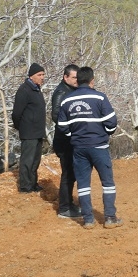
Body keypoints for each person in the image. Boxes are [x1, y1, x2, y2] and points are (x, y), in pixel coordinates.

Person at [57, 66, 122, 229]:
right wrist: (104, 133)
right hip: (99, 146)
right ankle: (109, 217)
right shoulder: (100, 98)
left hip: (79, 148)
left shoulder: (66, 100)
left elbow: (62, 126)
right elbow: (111, 122)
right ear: (92, 81)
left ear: (77, 80)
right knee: (107, 182)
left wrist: (75, 136)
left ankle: (88, 219)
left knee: (83, 184)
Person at [12, 63, 47, 193]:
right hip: (28, 132)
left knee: (35, 160)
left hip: (38, 131)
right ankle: (25, 186)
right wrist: (20, 127)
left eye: (43, 75)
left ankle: (33, 183)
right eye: (39, 75)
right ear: (31, 76)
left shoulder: (37, 90)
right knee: (27, 160)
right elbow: (16, 113)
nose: (42, 77)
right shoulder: (24, 90)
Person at [51, 64, 80, 218]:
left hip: (70, 138)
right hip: (64, 139)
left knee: (72, 173)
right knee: (68, 173)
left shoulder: (71, 90)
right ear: (66, 77)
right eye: (74, 77)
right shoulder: (61, 92)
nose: (77, 80)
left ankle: (69, 203)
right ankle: (64, 208)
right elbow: (56, 115)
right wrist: (72, 126)